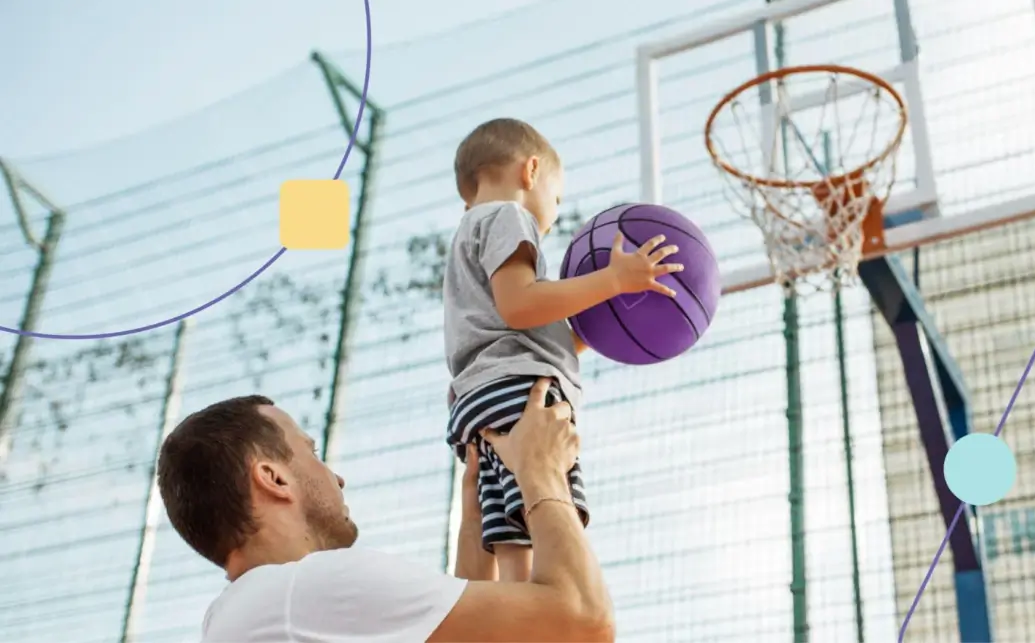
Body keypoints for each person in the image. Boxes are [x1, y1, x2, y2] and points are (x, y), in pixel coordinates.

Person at [156, 378, 615, 642]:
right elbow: (582, 622)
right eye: (311, 452)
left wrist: (476, 522)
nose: (336, 477)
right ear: (273, 477)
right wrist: (542, 471)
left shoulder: (252, 615)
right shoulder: (311, 588)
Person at [444, 118, 684, 581]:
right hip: (520, 396)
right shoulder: (509, 217)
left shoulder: (465, 238)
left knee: (515, 538)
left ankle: (525, 620)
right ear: (531, 171)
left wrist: (592, 326)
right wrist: (613, 280)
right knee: (545, 512)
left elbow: (512, 326)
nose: (552, 214)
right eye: (556, 199)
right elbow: (520, 306)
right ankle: (552, 614)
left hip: (480, 401)